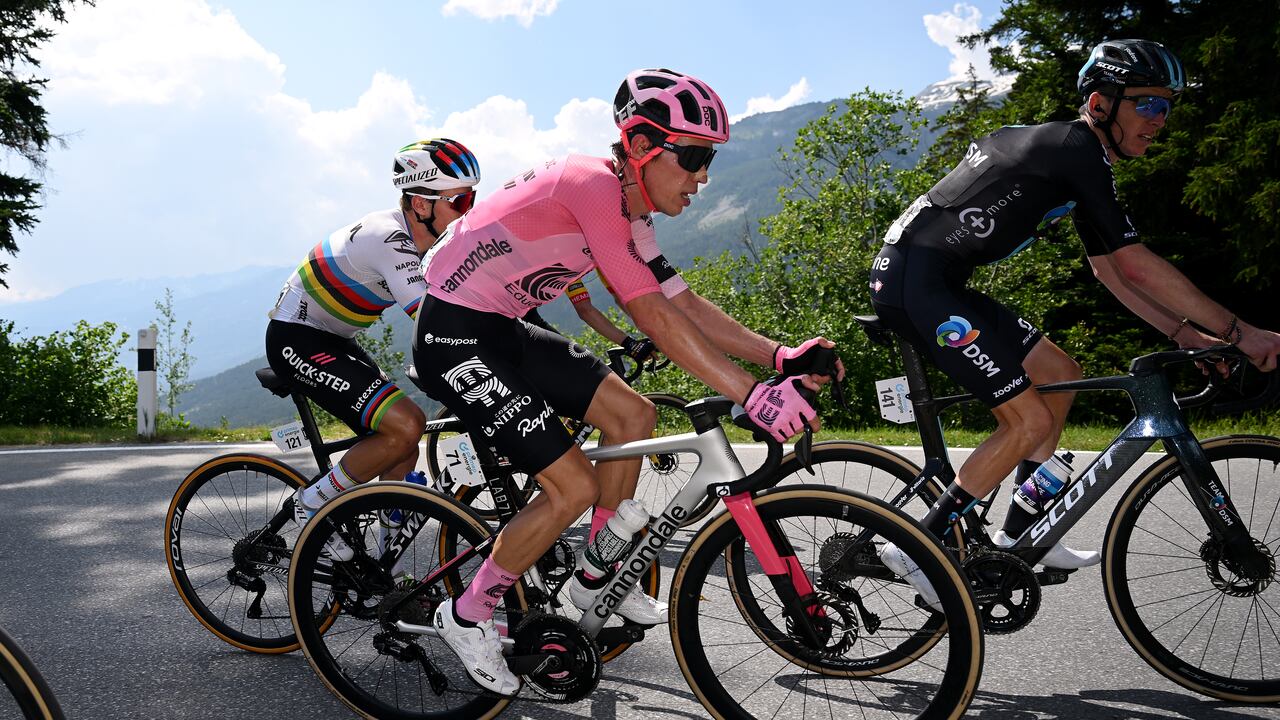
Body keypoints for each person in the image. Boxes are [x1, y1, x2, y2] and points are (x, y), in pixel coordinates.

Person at [414, 68, 841, 695]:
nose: (702, 177)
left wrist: (777, 358)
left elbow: (683, 303)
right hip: (454, 337)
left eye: (709, 161)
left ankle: (593, 578)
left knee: (634, 416)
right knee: (572, 486)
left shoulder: (629, 209)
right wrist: (749, 394)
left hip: (504, 328)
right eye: (693, 157)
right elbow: (649, 312)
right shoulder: (591, 186)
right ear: (640, 147)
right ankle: (467, 612)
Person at [868, 39, 1280, 610]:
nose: (1161, 121)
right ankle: (917, 547)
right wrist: (1243, 333)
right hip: (916, 284)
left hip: (940, 281)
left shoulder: (1078, 159)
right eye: (1150, 105)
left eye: (1168, 108)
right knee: (1026, 419)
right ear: (1101, 101)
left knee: (1059, 371)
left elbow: (1112, 271)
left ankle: (1020, 531)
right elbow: (1137, 264)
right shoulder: (1073, 149)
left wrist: (1187, 335)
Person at [266, 138, 482, 559]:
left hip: (336, 339)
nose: (468, 210)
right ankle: (310, 505)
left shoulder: (436, 240)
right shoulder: (389, 238)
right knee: (405, 425)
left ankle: (385, 563)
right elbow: (430, 316)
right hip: (296, 336)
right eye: (460, 201)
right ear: (420, 205)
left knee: (402, 442)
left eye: (473, 197)